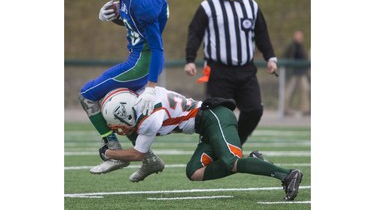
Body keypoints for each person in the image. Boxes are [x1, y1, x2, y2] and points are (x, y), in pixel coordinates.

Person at [98, 86, 303, 201]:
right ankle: (253, 161)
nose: (118, 128)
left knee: (231, 161)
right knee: (194, 171)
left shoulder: (150, 119)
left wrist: (109, 154)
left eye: (117, 123)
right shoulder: (145, 94)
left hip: (215, 117)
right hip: (205, 127)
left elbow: (138, 154)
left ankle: (287, 175)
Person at [78, 0, 167, 180]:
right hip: (139, 56)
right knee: (118, 110)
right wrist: (116, 16)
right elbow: (135, 25)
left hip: (142, 61)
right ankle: (149, 160)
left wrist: (151, 85)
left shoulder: (143, 0)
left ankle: (114, 151)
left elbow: (157, 47)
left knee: (87, 94)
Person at [184, 0, 278, 145]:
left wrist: (270, 58)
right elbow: (195, 32)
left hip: (246, 70)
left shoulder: (251, 6)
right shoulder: (208, 7)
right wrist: (190, 59)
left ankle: (235, 143)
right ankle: (219, 146)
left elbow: (261, 34)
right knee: (222, 113)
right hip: (218, 70)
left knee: (254, 110)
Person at [283, 30, 310, 116]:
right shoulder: (291, 45)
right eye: (298, 36)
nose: (299, 38)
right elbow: (285, 56)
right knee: (289, 91)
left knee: (305, 89)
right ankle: (285, 109)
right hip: (293, 73)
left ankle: (305, 109)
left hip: (301, 73)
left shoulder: (302, 46)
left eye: (301, 36)